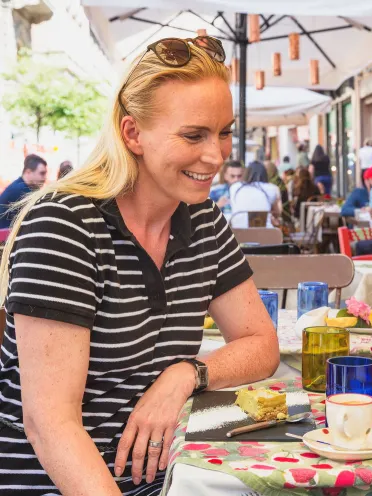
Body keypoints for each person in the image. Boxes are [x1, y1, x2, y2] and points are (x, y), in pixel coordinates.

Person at [0, 36, 280, 496]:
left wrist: (185, 374)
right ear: (132, 134)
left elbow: (261, 343)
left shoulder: (203, 220)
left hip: (172, 480)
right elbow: (50, 425)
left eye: (224, 132)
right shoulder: (65, 225)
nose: (217, 155)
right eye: (194, 135)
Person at [229, 161, 283, 229]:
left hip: (237, 231)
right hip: (264, 232)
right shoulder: (272, 188)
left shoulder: (235, 187)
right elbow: (278, 212)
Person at [0, 154, 47, 229]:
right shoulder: (19, 190)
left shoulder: (22, 186)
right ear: (28, 172)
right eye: (42, 173)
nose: (44, 178)